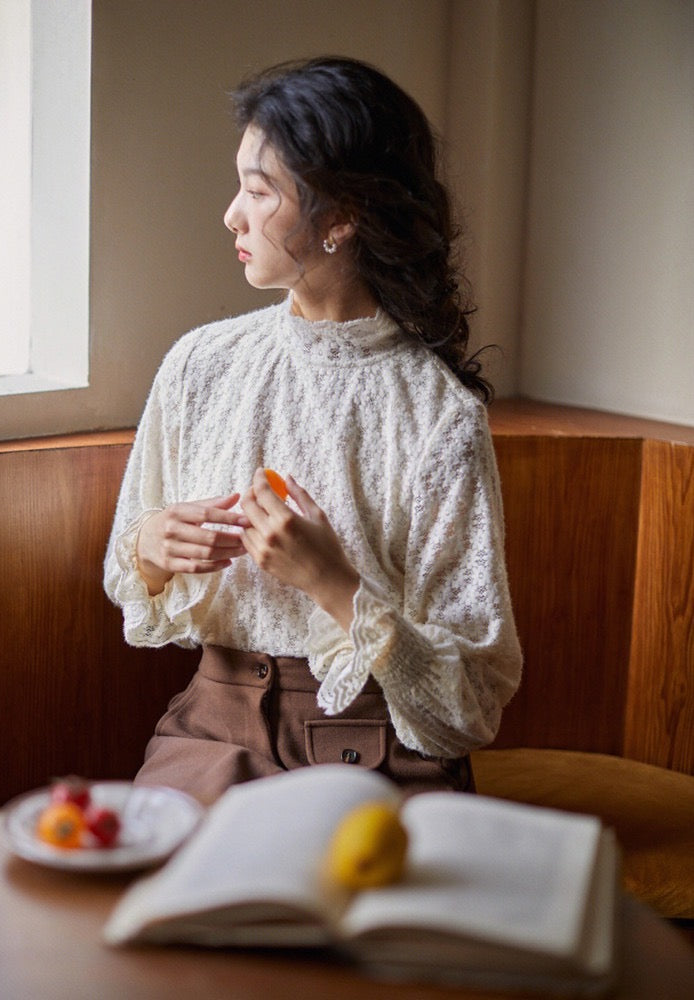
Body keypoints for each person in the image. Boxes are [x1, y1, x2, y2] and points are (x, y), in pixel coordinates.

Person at [103, 56, 522, 805]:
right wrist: (151, 547)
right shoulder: (200, 364)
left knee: (317, 917)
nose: (232, 214)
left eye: (259, 192)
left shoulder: (439, 416)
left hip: (383, 747)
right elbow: (124, 573)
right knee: (150, 908)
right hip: (211, 730)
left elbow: (469, 706)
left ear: (340, 217)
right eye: (240, 185)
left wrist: (335, 585)